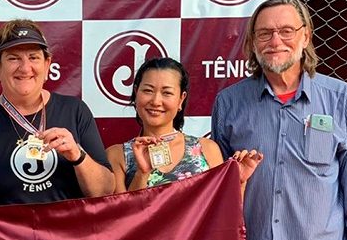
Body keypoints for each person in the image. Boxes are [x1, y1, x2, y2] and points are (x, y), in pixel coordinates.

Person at [211, 0, 347, 240]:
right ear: (252, 42)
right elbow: (216, 193)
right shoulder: (229, 103)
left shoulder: (341, 99)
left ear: (306, 36)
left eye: (286, 31)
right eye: (264, 33)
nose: (275, 41)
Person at [0, 19, 115, 222]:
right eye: (14, 58)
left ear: (47, 65)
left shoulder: (75, 111)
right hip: (0, 239)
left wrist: (77, 155)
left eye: (33, 57)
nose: (25, 68)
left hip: (65, 238)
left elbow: (105, 191)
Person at [106, 57, 262, 194]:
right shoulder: (117, 156)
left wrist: (239, 183)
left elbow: (223, 213)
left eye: (167, 93)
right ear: (136, 93)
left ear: (181, 99)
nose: (155, 101)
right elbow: (122, 217)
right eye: (148, 90)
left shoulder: (207, 149)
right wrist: (142, 173)